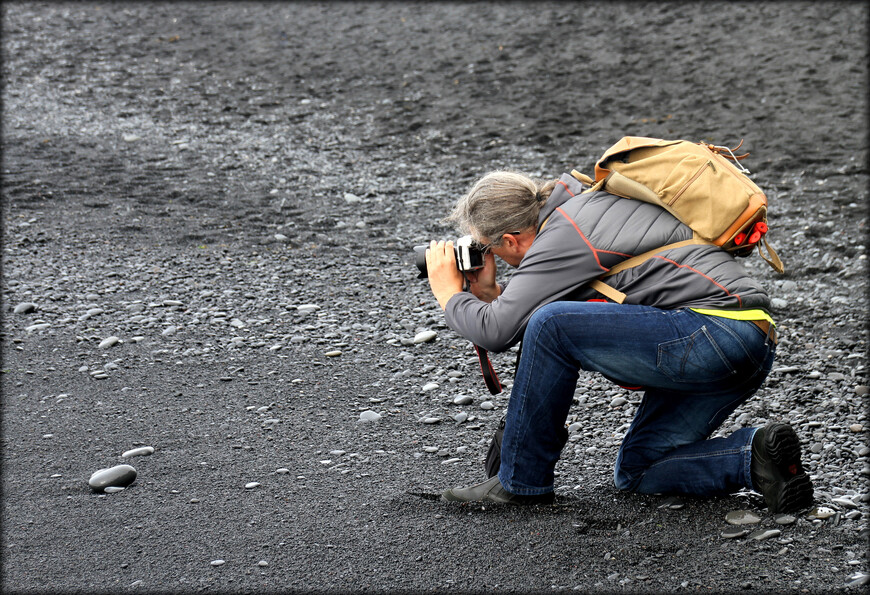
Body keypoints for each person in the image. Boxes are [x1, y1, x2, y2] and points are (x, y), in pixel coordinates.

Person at [424, 170, 814, 513]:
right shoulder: (583, 206)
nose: (489, 256)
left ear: (509, 240)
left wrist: (448, 294)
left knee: (551, 324)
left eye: (488, 249)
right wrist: (490, 293)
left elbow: (501, 331)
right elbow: (540, 317)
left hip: (711, 332)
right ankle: (755, 457)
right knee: (639, 470)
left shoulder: (565, 234)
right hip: (752, 338)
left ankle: (520, 482)